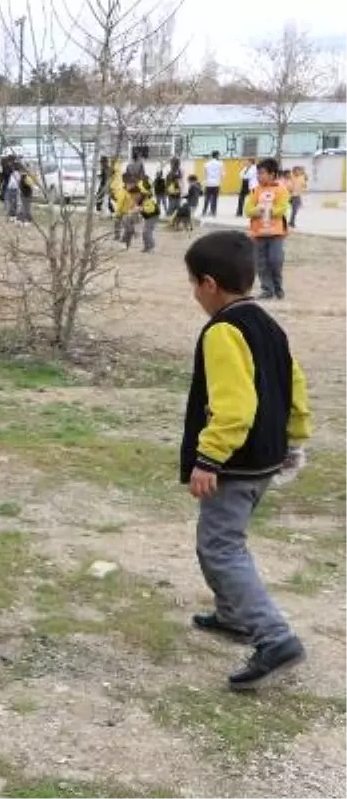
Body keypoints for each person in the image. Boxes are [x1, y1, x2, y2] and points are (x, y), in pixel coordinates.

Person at [181, 230, 312, 690]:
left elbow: (234, 407)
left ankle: (273, 638)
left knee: (220, 546)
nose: (194, 293)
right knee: (225, 541)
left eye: (193, 283)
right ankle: (233, 616)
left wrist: (208, 458)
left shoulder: (223, 332)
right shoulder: (267, 323)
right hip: (266, 458)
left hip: (234, 464)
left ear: (210, 284)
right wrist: (295, 441)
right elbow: (294, 385)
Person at [245, 157, 291, 300]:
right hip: (258, 233)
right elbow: (248, 209)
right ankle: (267, 289)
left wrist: (269, 210)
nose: (259, 176)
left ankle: (278, 287)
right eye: (258, 173)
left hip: (276, 233)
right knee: (261, 263)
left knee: (275, 260)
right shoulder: (255, 191)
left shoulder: (282, 190)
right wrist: (256, 211)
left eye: (262, 173)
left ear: (272, 174)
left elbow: (282, 208)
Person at [202, 151, 224, 217]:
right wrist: (220, 182)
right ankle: (213, 212)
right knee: (214, 198)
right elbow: (222, 174)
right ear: (217, 155)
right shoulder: (220, 164)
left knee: (207, 198)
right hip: (216, 184)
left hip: (208, 183)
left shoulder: (206, 164)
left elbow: (205, 174)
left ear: (212, 155)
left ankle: (204, 212)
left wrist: (205, 182)